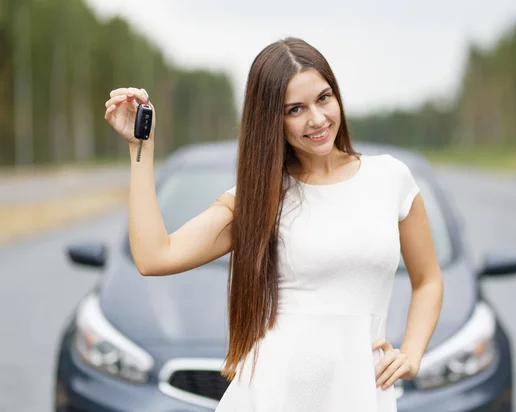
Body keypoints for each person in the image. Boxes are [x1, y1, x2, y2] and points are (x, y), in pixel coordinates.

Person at [104, 37, 443, 412]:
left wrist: (411, 354)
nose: (317, 119)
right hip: (273, 396)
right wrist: (141, 147)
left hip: (362, 393)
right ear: (272, 121)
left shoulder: (391, 178)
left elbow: (428, 279)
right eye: (295, 109)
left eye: (324, 98)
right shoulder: (258, 199)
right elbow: (155, 256)